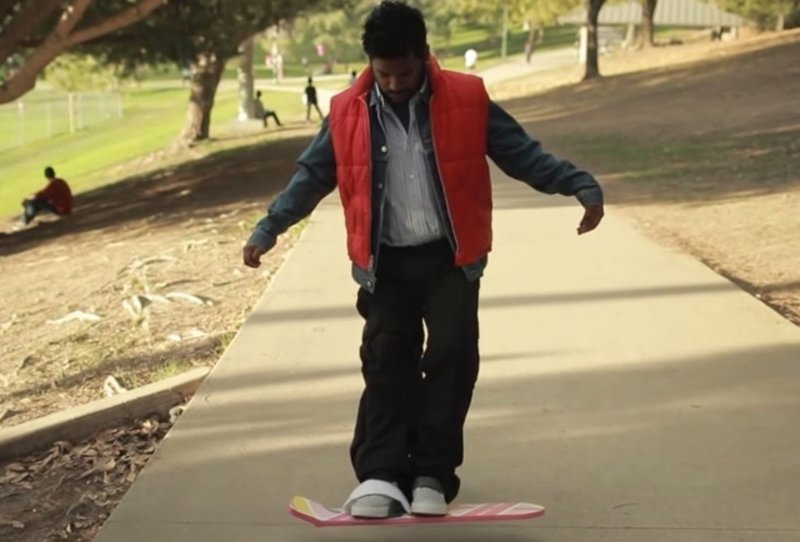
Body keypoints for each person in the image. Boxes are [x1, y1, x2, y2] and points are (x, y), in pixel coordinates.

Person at [243, 0, 604, 519]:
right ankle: (381, 475)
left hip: (450, 259)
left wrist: (579, 185)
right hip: (385, 263)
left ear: (424, 56)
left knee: (453, 357)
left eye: (404, 73)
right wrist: (269, 228)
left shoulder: (467, 98)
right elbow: (313, 176)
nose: (394, 83)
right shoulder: (346, 110)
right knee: (387, 360)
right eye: (383, 73)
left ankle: (432, 473)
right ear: (370, 64)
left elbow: (522, 154)